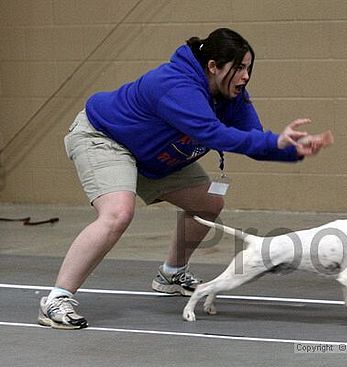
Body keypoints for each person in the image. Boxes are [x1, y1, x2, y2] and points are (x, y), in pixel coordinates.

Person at [38, 28, 329, 329]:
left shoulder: (231, 94)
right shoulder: (175, 85)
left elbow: (252, 137)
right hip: (106, 138)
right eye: (238, 68)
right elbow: (214, 134)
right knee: (118, 213)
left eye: (247, 68)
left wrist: (291, 149)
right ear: (213, 67)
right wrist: (274, 143)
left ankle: (171, 275)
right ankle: (57, 299)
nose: (245, 76)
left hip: (153, 154)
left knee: (209, 202)